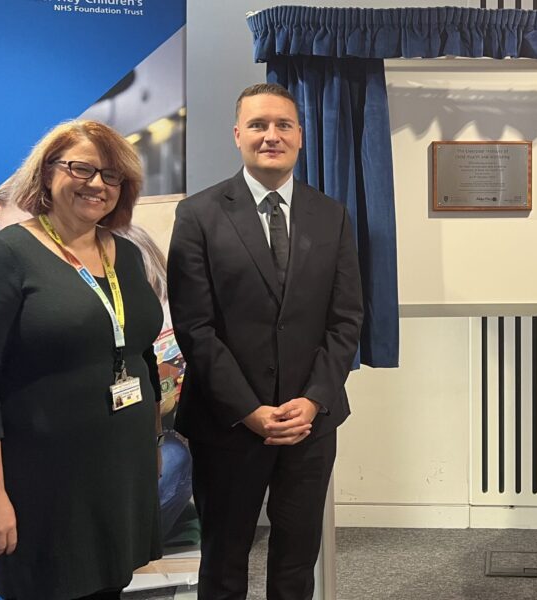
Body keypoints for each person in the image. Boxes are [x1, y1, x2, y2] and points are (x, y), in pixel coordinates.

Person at [167, 82, 363, 600]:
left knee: (297, 564)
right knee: (224, 563)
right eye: (258, 125)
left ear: (301, 136)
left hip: (309, 423)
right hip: (228, 423)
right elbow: (195, 328)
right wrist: (249, 408)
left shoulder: (332, 215)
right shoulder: (198, 215)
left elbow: (346, 320)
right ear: (238, 135)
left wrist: (314, 400)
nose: (270, 135)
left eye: (283, 125)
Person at [0, 120, 163, 599]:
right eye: (81, 168)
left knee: (110, 586)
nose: (97, 184)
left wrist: (152, 441)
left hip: (119, 468)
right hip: (44, 482)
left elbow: (141, 354)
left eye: (111, 175)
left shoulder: (127, 256)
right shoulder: (3, 256)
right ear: (46, 174)